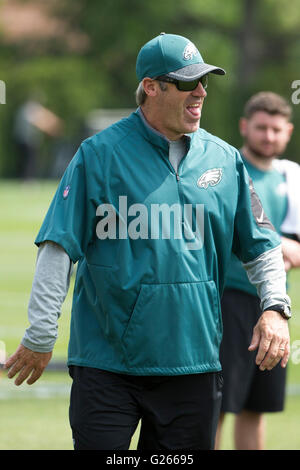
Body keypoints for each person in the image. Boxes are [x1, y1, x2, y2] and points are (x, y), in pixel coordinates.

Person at [4, 34, 291, 451]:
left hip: (194, 364)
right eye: (187, 82)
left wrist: (276, 308)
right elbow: (59, 246)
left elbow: (263, 245)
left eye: (204, 81)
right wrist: (42, 333)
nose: (201, 92)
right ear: (151, 87)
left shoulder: (225, 160)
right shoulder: (97, 155)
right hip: (107, 366)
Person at [216, 92, 300, 450]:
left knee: (256, 407)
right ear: (244, 127)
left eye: (276, 129)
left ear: (288, 132)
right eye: (261, 128)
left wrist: (281, 246)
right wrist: (278, 244)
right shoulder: (225, 168)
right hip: (226, 301)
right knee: (215, 404)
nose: (268, 136)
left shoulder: (292, 176)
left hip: (273, 305)